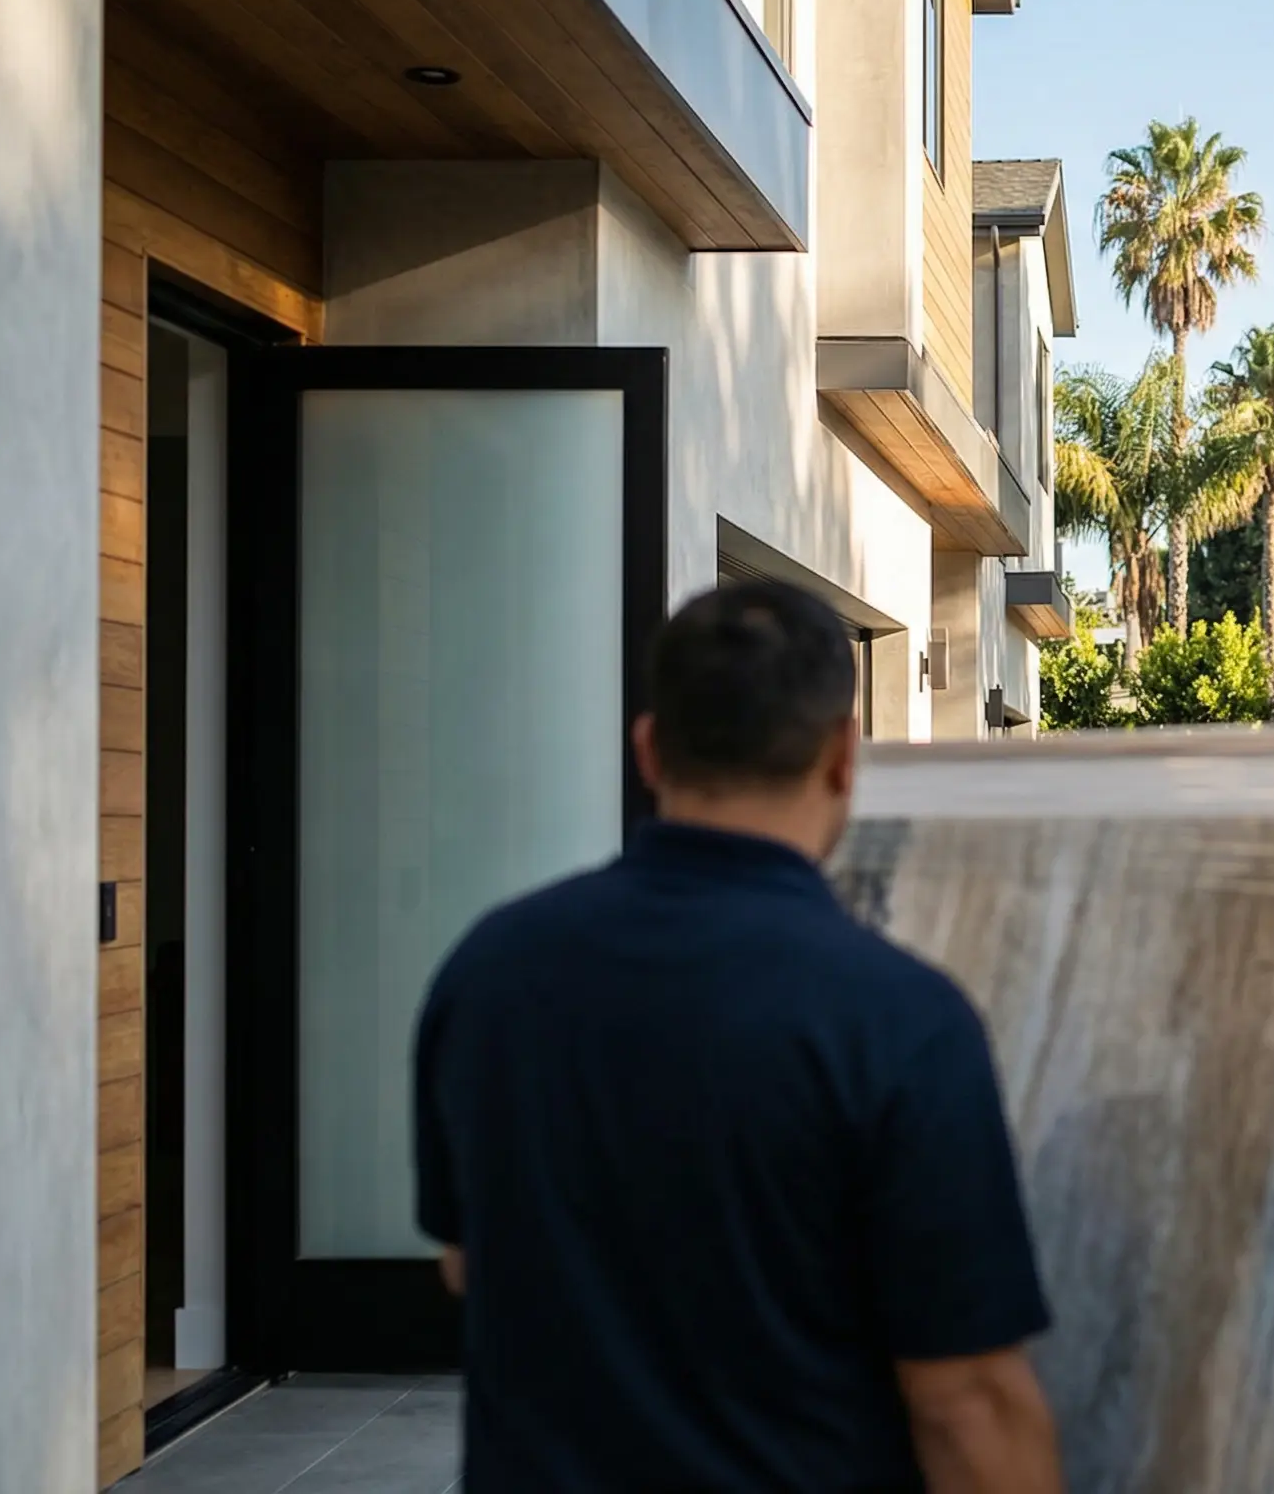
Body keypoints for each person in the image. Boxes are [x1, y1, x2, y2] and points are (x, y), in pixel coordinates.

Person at [413, 581, 1063, 1493]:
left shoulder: (486, 973)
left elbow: (465, 1264)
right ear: (844, 756)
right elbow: (966, 1401)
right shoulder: (899, 1020)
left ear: (648, 750)